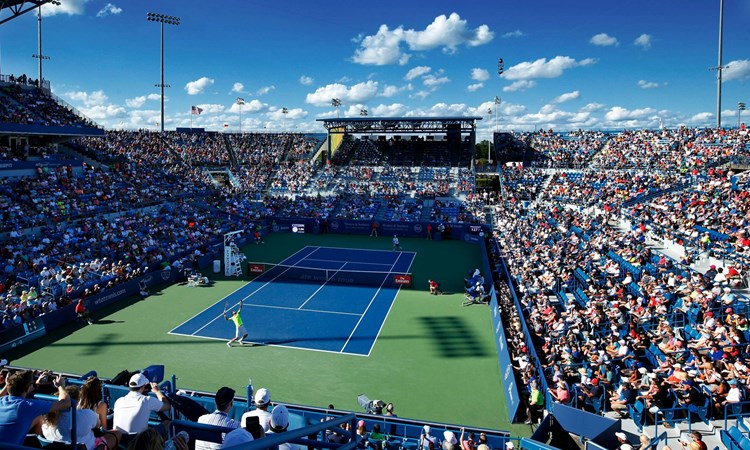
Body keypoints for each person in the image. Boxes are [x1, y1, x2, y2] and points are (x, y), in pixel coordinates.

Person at [0, 370, 70, 445]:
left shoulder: (1, 400)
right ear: (27, 388)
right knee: (38, 417)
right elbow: (65, 403)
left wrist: (36, 384)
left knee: (37, 418)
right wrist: (61, 386)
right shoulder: (29, 405)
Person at [41, 385, 99, 450]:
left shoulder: (45, 420)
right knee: (111, 436)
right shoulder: (86, 414)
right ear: (77, 401)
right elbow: (98, 424)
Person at [78, 376, 121, 450]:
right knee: (117, 433)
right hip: (95, 437)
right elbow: (104, 428)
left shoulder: (79, 403)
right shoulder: (101, 405)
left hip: (85, 436)